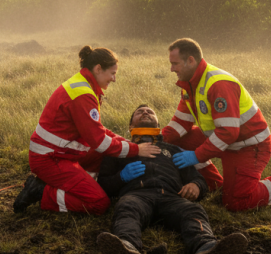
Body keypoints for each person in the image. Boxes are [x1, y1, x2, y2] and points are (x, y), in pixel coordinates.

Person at [162, 38, 271, 212]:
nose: (171, 69)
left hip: (248, 146)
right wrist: (154, 139)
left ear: (190, 60)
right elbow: (181, 123)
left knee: (236, 203)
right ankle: (214, 185)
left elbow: (228, 132)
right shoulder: (190, 85)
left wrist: (196, 156)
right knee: (176, 141)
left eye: (175, 63)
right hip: (224, 141)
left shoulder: (218, 84)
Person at [96, 105, 249, 254]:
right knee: (127, 207)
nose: (145, 112)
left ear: (158, 125)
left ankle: (206, 248)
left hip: (172, 197)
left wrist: (196, 186)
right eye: (139, 112)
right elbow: (103, 185)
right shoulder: (119, 150)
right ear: (131, 126)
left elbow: (197, 178)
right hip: (137, 196)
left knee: (193, 210)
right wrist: (121, 177)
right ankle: (127, 248)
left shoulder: (172, 150)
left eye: (150, 111)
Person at [13, 46, 161, 214]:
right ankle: (42, 192)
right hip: (50, 159)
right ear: (98, 69)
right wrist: (135, 149)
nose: (114, 79)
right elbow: (100, 142)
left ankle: (79, 184)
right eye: (112, 73)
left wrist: (124, 142)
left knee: (105, 155)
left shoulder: (84, 86)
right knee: (99, 203)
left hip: (59, 153)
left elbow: (97, 129)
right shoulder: (83, 94)